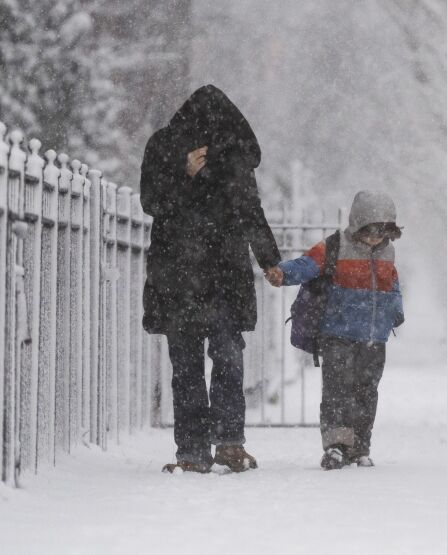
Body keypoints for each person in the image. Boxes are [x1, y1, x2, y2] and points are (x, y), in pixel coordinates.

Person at [140, 85, 283, 473]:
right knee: (189, 365)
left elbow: (250, 211)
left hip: (219, 275)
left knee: (225, 358)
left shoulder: (233, 159)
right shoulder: (165, 149)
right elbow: (151, 202)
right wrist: (184, 175)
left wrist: (270, 260)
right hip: (181, 276)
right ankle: (193, 450)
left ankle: (227, 444)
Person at [271, 191, 404, 470]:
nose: (375, 238)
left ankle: (360, 446)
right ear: (357, 224)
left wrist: (395, 310)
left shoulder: (388, 252)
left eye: (382, 232)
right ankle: (336, 445)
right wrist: (282, 273)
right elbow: (307, 265)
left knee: (366, 391)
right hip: (338, 334)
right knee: (337, 390)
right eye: (370, 231)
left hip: (373, 337)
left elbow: (392, 283)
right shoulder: (335, 246)